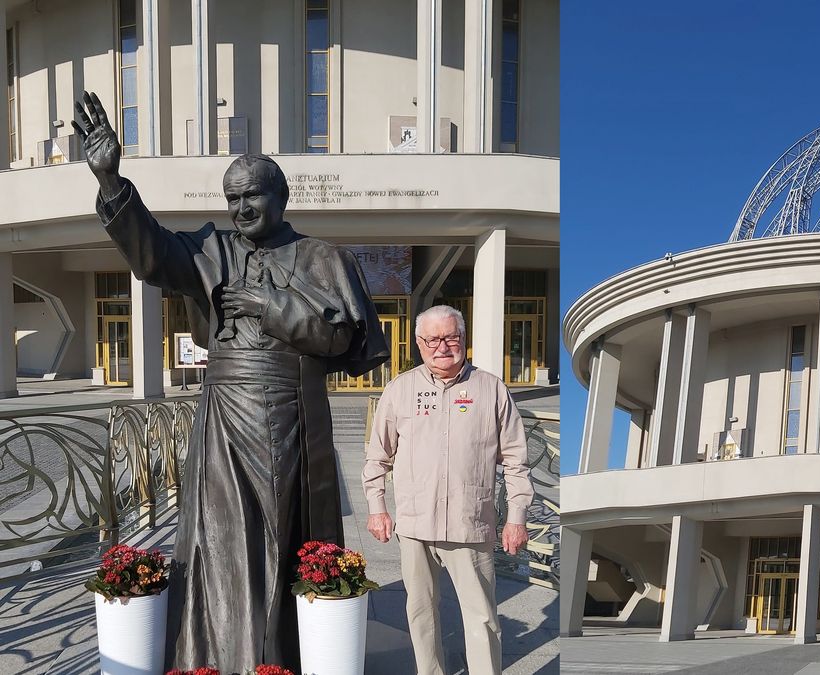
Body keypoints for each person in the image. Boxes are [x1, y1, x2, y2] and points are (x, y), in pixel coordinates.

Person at [73, 92, 389, 671]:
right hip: (222, 412)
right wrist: (113, 181)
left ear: (282, 196)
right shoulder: (210, 248)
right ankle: (215, 651)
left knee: (274, 534)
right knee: (218, 536)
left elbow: (342, 339)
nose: (242, 208)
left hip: (288, 411)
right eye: (233, 197)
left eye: (253, 196)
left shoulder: (322, 258)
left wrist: (270, 305)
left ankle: (275, 652)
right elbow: (152, 256)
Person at [363, 305, 533, 675]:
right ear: (419, 344)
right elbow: (378, 457)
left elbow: (517, 461)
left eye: (450, 337)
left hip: (469, 524)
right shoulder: (400, 390)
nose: (442, 346)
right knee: (421, 613)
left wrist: (516, 518)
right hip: (415, 523)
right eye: (432, 339)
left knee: (482, 618)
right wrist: (377, 507)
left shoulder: (491, 390)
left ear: (463, 339)